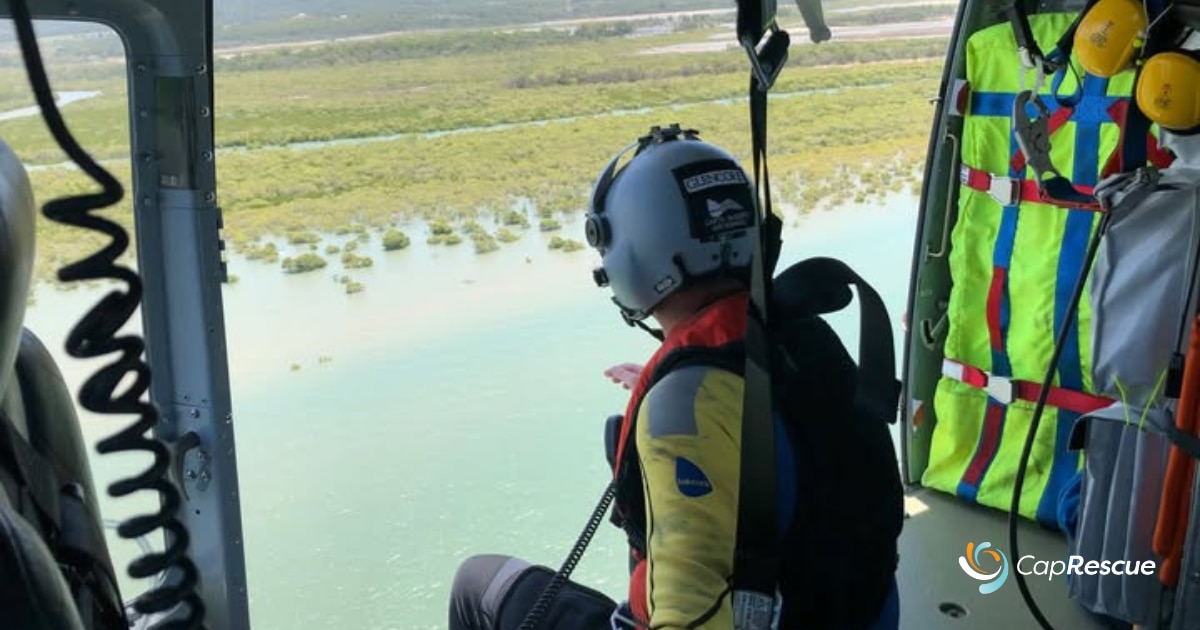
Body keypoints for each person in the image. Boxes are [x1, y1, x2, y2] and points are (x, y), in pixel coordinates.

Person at [449, 125, 901, 630]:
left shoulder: (686, 404)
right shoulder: (800, 338)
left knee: (478, 586)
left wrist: (677, 406)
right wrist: (684, 389)